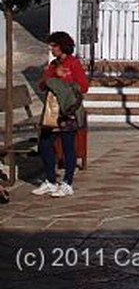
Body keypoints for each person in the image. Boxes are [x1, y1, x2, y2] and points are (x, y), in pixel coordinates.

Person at [32, 31, 88, 198]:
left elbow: (83, 86)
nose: (51, 48)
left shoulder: (74, 63)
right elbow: (42, 85)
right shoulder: (53, 64)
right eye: (50, 45)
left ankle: (67, 183)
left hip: (68, 111)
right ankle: (50, 180)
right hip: (52, 112)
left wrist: (65, 83)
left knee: (68, 146)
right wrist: (54, 75)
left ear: (63, 46)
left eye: (54, 45)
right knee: (45, 144)